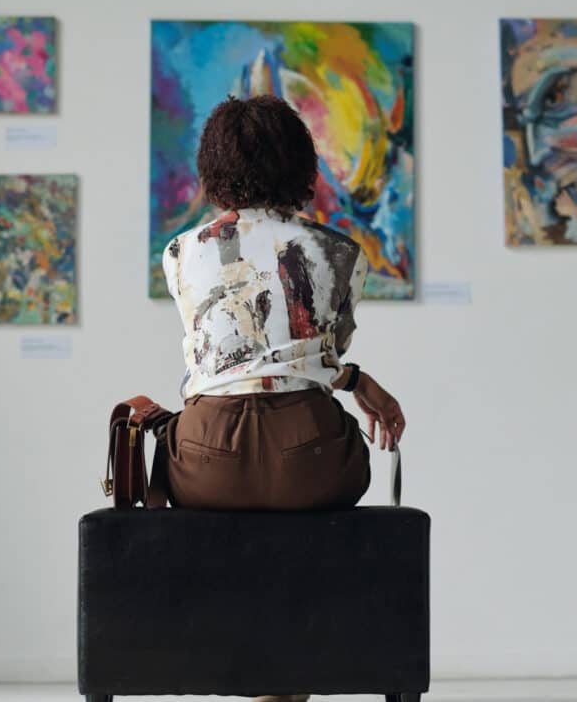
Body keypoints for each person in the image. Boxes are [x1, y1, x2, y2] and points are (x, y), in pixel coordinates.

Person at [161, 95, 406, 512]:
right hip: (310, 463)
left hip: (207, 463)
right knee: (342, 449)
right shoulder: (341, 252)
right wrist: (357, 381)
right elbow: (318, 358)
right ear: (300, 163)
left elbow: (230, 359)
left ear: (212, 166)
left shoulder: (180, 252)